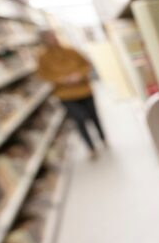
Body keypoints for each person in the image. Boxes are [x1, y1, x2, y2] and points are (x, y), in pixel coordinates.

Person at [37, 30, 107, 159]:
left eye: (53, 36)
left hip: (84, 90)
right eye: (49, 38)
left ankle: (103, 138)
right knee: (79, 120)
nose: (53, 39)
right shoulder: (43, 58)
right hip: (65, 95)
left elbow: (86, 64)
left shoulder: (71, 51)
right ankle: (90, 148)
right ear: (43, 40)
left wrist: (79, 75)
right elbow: (43, 75)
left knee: (94, 116)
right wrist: (61, 79)